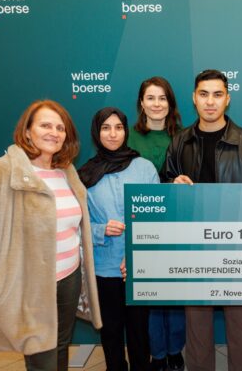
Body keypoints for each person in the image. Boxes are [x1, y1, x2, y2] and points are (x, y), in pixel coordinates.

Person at [0, 99, 102, 371]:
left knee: (61, 347)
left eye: (60, 128)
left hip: (69, 279)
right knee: (42, 359)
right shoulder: (2, 172)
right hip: (31, 288)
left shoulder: (66, 172)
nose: (54, 132)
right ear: (28, 131)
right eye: (45, 125)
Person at [162, 69, 242, 371]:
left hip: (236, 249)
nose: (210, 101)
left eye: (217, 94)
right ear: (194, 98)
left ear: (227, 99)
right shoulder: (180, 142)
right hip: (193, 248)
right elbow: (164, 190)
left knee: (240, 323)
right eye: (204, 94)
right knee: (196, 325)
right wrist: (172, 186)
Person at [78, 107, 159, 371]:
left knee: (139, 332)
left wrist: (137, 255)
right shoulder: (85, 174)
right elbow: (76, 225)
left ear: (126, 131)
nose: (113, 134)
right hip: (103, 268)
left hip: (139, 267)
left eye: (118, 127)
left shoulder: (144, 168)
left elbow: (157, 217)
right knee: (111, 332)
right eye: (106, 128)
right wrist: (100, 230)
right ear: (96, 132)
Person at [127, 76, 186, 371]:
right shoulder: (127, 137)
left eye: (162, 98)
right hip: (143, 226)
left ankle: (175, 351)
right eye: (150, 98)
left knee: (175, 294)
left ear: (170, 103)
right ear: (141, 103)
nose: (156, 104)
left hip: (177, 225)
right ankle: (158, 354)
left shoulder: (185, 136)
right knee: (150, 297)